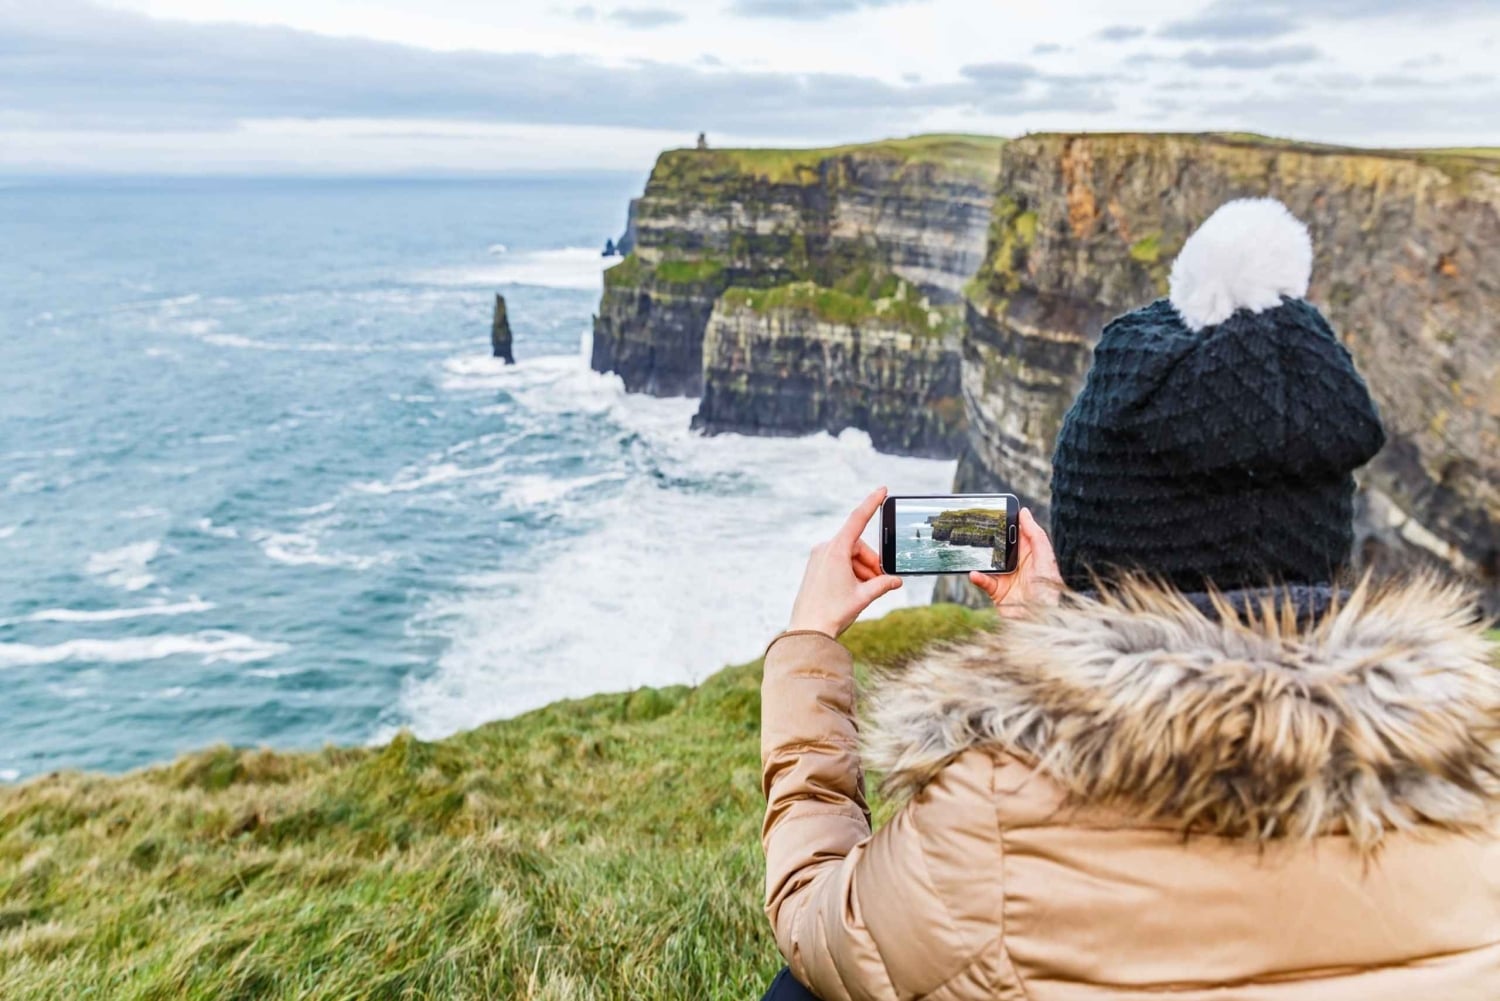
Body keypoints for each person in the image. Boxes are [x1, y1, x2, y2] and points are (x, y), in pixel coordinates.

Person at [759, 198, 1500, 1000]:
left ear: (1099, 557)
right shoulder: (1477, 775)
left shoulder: (1000, 809)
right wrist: (1047, 630)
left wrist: (810, 645)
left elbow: (820, 921)